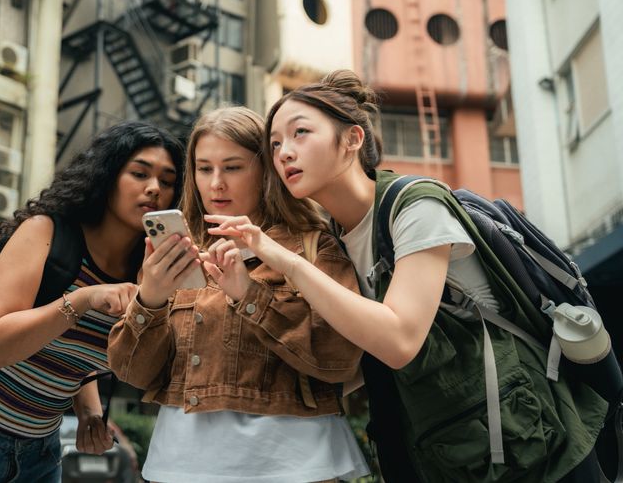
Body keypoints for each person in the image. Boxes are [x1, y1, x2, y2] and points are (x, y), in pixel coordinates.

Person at [207, 70, 606, 482]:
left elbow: (400, 340)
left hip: (537, 448)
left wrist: (288, 262)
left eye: (300, 133)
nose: (284, 152)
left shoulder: (415, 206)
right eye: (274, 144)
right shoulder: (333, 242)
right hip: (456, 456)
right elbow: (349, 363)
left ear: (352, 140)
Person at [0, 121, 185, 482]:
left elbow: (70, 348)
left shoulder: (145, 276)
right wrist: (83, 299)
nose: (154, 188)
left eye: (167, 181)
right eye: (139, 173)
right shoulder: (47, 232)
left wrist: (89, 412)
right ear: (107, 176)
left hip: (38, 452)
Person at [108, 106, 368, 483]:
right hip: (181, 463)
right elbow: (132, 371)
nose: (216, 184)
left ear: (266, 170)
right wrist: (149, 298)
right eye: (203, 168)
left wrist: (250, 296)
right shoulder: (176, 252)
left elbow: (339, 357)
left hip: (293, 462)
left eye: (232, 167)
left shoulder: (310, 246)